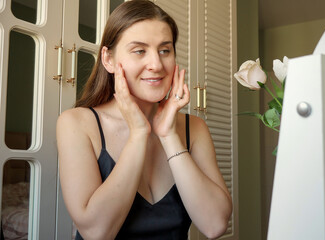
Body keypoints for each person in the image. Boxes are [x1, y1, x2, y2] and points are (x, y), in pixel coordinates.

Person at [56, 1, 232, 239]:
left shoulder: (195, 128)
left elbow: (215, 225)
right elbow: (96, 232)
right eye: (139, 51)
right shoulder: (77, 123)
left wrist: (169, 136)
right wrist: (139, 134)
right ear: (108, 59)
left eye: (165, 50)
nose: (156, 65)